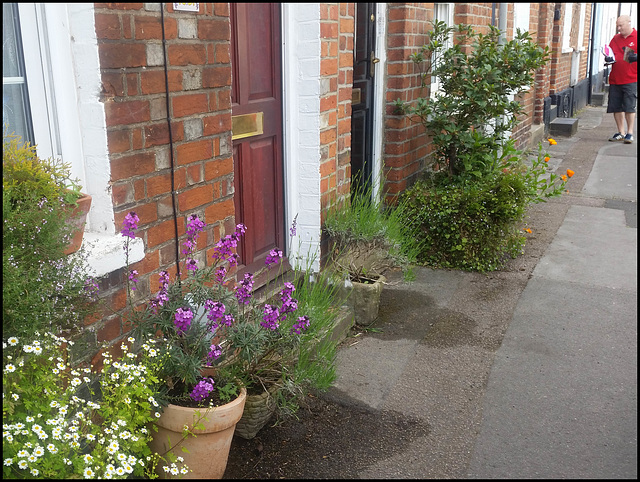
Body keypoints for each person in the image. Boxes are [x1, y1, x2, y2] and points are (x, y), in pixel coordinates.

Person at [605, 15, 637, 144]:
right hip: (615, 78)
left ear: (629, 23)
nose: (619, 29)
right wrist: (607, 58)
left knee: (629, 106)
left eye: (621, 25)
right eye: (617, 26)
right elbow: (610, 52)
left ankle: (630, 133)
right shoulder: (616, 39)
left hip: (631, 78)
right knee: (616, 107)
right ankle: (621, 132)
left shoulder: (636, 37)